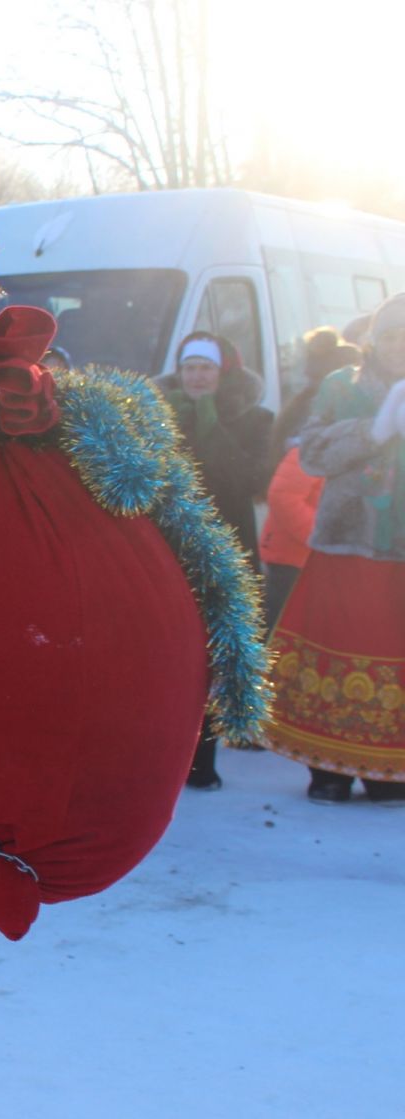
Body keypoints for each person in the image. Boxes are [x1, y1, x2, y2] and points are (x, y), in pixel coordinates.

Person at [264, 293, 405, 806]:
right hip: (347, 547)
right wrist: (373, 431)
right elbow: (314, 452)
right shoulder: (342, 387)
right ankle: (327, 769)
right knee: (336, 653)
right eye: (390, 334)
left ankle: (391, 768)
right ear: (373, 340)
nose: (398, 345)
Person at [160, 331, 274, 789]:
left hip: (225, 546)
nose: (197, 376)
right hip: (169, 545)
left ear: (222, 372)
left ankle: (202, 759)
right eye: (190, 367)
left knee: (211, 650)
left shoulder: (255, 419)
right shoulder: (159, 412)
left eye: (206, 368)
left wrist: (210, 421)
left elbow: (247, 478)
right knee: (169, 649)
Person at [260, 328, 359, 629]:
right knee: (283, 637)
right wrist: (320, 537)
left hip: (313, 561)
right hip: (295, 562)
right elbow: (283, 495)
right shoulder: (316, 441)